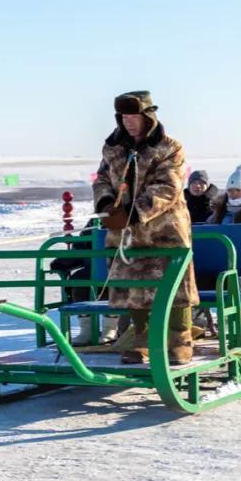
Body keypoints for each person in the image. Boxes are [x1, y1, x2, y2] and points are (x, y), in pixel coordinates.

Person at [93, 91, 199, 365]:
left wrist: (134, 212)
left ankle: (179, 340)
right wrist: (106, 204)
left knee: (174, 285)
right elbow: (102, 178)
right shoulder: (113, 148)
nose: (128, 122)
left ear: (147, 116)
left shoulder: (169, 148)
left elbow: (168, 186)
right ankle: (141, 338)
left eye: (134, 116)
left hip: (165, 230)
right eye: (124, 117)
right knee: (132, 285)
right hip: (126, 234)